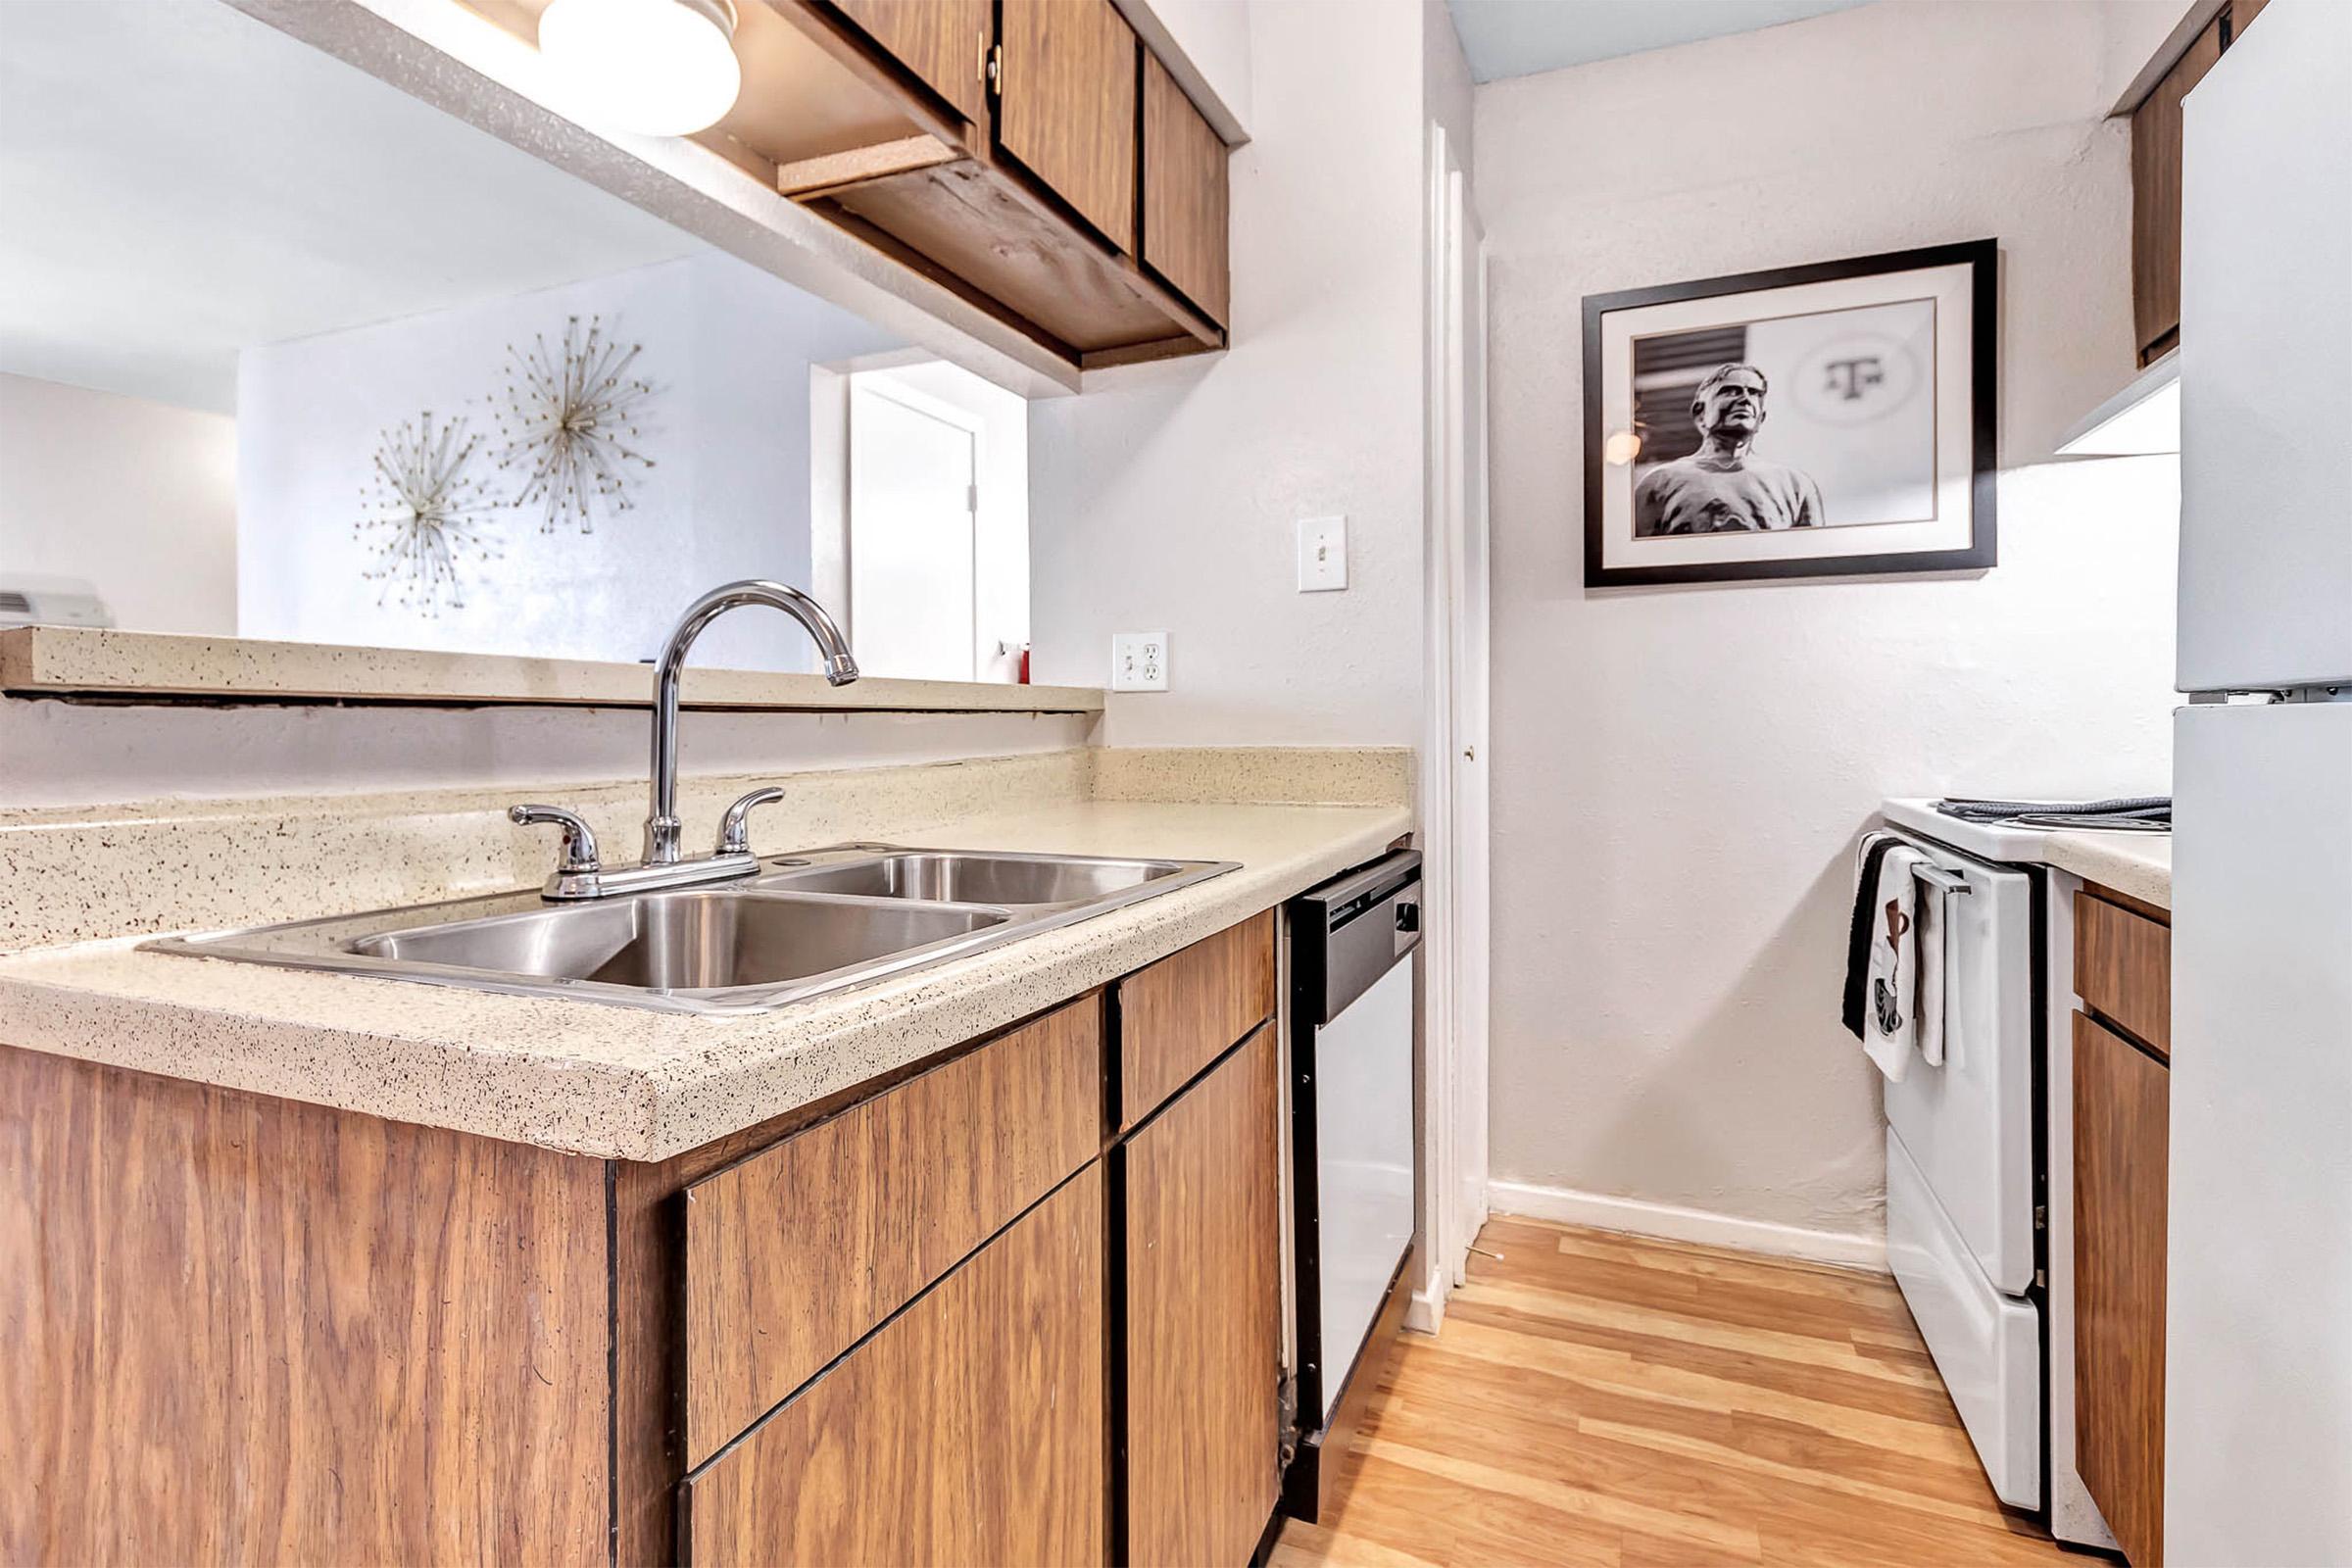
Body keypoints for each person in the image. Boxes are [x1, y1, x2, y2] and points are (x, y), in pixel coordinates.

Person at [1633, 363, 1825, 535]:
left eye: (1754, 393)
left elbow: (1811, 562)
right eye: (1731, 391)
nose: (1745, 399)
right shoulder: (1658, 483)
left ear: (1761, 418)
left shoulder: (1795, 485)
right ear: (1700, 413)